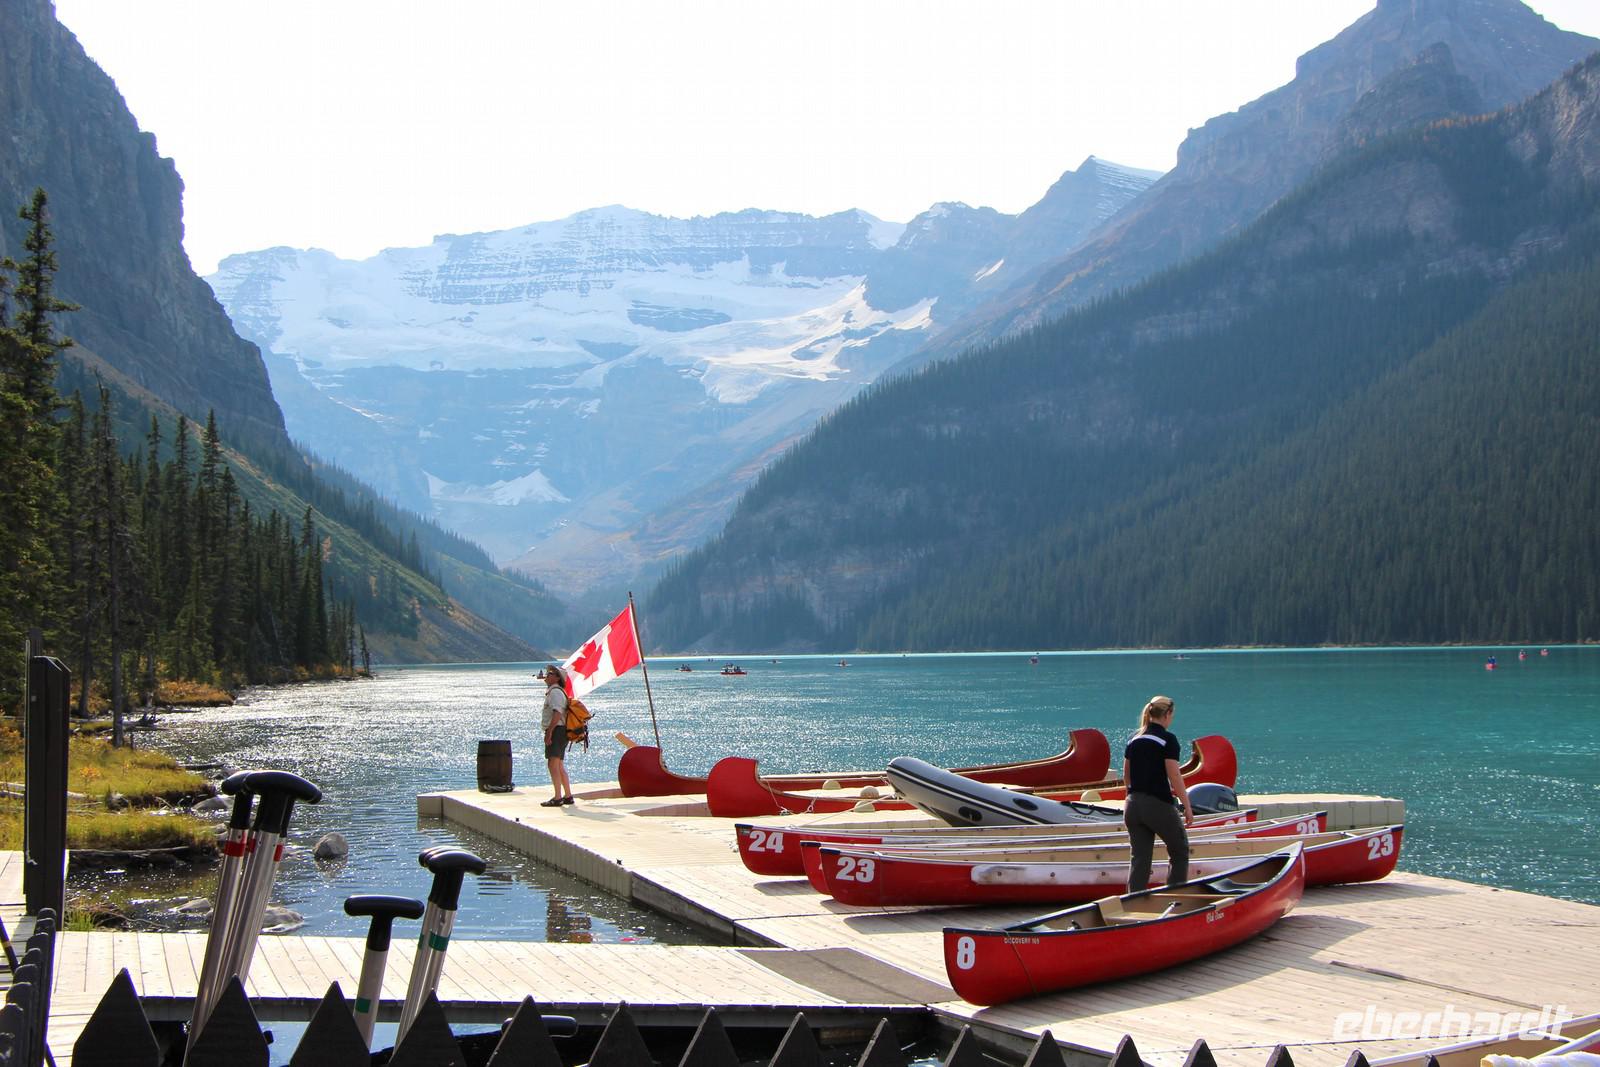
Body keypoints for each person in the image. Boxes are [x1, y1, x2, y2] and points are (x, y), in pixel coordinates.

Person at [1122, 694, 1192, 892]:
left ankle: (1132, 904)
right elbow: (1174, 775)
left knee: (1140, 858)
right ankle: (1175, 900)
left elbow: (1127, 776)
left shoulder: (1134, 739)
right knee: (1179, 851)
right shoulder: (1167, 739)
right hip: (1157, 804)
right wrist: (1186, 806)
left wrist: (1134, 796)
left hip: (1132, 805)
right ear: (1168, 714)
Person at [539, 666, 574, 807]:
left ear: (557, 678)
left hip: (557, 730)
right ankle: (567, 795)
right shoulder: (557, 692)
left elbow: (557, 713)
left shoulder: (555, 692)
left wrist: (549, 732)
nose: (547, 675)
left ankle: (558, 797)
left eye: (550, 674)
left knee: (552, 763)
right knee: (558, 764)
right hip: (560, 731)